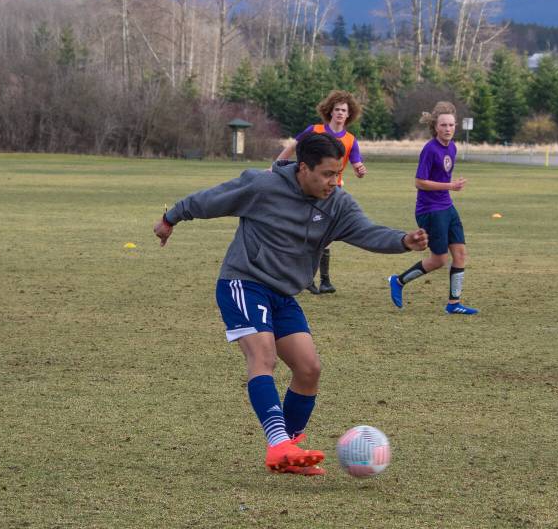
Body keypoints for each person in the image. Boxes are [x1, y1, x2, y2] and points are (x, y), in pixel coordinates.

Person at [154, 135, 427, 475]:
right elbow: (211, 200)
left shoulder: (337, 204)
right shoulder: (263, 186)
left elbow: (367, 232)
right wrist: (170, 219)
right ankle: (278, 444)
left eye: (337, 173)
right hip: (244, 282)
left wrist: (403, 241)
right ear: (303, 168)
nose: (333, 181)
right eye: (327, 174)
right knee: (263, 356)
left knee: (309, 368)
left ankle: (290, 450)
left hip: (283, 295)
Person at [388, 101, 479, 315]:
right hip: (430, 210)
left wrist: (449, 187)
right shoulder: (429, 149)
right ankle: (398, 281)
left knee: (460, 254)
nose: (448, 129)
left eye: (451, 125)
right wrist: (450, 186)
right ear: (435, 127)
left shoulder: (453, 147)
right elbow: (419, 182)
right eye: (443, 125)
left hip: (447, 207)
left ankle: (453, 303)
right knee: (439, 260)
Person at [275, 90, 366, 294]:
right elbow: (293, 146)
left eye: (344, 110)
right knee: (306, 231)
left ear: (349, 114)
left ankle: (322, 280)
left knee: (324, 234)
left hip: (332, 191)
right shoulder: (315, 130)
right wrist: (276, 165)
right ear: (330, 111)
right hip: (307, 187)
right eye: (337, 109)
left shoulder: (351, 140)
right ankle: (305, 277)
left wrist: (360, 170)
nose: (341, 113)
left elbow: (357, 164)